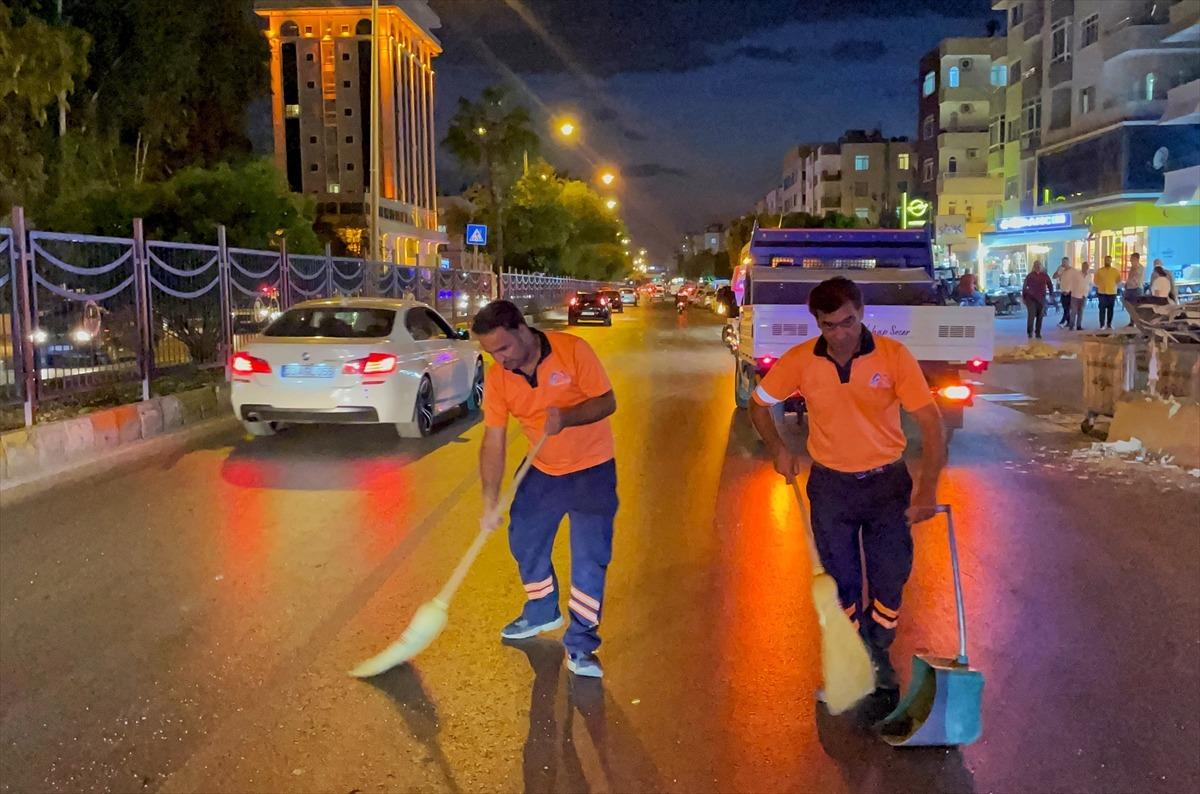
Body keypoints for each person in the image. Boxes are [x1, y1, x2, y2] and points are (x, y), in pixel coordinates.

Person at [748, 276, 946, 703]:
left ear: (861, 312)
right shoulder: (801, 359)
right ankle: (855, 660)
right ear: (817, 323)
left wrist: (927, 489)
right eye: (829, 325)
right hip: (831, 488)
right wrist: (778, 448)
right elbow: (759, 404)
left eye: (848, 322)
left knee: (890, 577)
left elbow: (932, 425)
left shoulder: (893, 356)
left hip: (887, 486)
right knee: (841, 583)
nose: (840, 334)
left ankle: (878, 651)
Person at [473, 300, 618, 679]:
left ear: (522, 330)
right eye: (491, 353)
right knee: (524, 538)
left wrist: (567, 417)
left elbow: (607, 402)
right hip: (542, 469)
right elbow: (494, 439)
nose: (500, 359)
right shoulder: (499, 377)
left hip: (592, 470)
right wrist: (490, 500)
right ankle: (542, 609)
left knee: (590, 558)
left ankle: (581, 643)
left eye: (503, 348)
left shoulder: (572, 350)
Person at [1022, 260, 1053, 339]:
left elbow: (1050, 284)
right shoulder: (1030, 276)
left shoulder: (1044, 275)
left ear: (1041, 266)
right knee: (1031, 316)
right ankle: (1030, 332)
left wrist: (1051, 294)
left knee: (1040, 316)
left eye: (1039, 265)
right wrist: (1024, 297)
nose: (1038, 267)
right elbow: (1024, 287)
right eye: (1036, 265)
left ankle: (1038, 332)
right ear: (1034, 266)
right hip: (1031, 299)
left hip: (1041, 299)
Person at [1093, 255, 1121, 330]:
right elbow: (1095, 281)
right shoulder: (1099, 271)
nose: (1107, 261)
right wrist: (1102, 284)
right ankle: (1102, 325)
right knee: (1102, 309)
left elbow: (1118, 280)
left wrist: (1112, 285)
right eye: (1106, 260)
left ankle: (1109, 324)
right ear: (1104, 261)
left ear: (1111, 261)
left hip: (1112, 293)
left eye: (1109, 260)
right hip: (1102, 293)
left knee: (1110, 309)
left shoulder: (1115, 271)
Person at [1066, 261, 1093, 331]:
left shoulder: (1089, 276)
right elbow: (1071, 283)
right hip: (1075, 295)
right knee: (1074, 311)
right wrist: (1068, 290)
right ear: (1082, 267)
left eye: (1087, 267)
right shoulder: (1076, 274)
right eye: (1084, 266)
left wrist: (1088, 291)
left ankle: (1079, 326)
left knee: (1081, 311)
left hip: (1084, 295)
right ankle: (1071, 326)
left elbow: (1090, 285)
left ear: (1088, 268)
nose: (1085, 268)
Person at [1052, 257, 1073, 326]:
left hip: (1070, 292)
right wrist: (1058, 270)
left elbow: (1075, 281)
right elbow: (1054, 277)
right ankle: (1069, 322)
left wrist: (1070, 290)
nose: (1063, 263)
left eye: (1065, 262)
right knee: (1065, 308)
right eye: (1062, 262)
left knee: (1067, 308)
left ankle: (1062, 322)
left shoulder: (1072, 270)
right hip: (1063, 291)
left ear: (1068, 262)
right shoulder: (1061, 270)